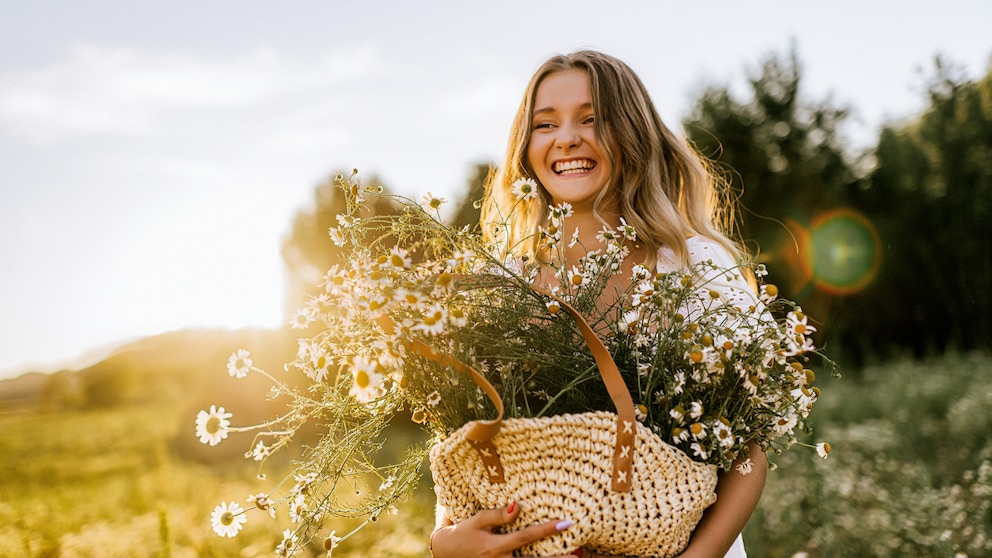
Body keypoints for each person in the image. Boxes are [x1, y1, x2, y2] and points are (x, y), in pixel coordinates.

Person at [429, 50, 767, 558]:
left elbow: (749, 449)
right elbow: (467, 445)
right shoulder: (501, 283)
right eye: (545, 124)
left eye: (591, 119)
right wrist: (445, 539)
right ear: (526, 148)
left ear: (632, 132)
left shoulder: (696, 265)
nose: (566, 137)